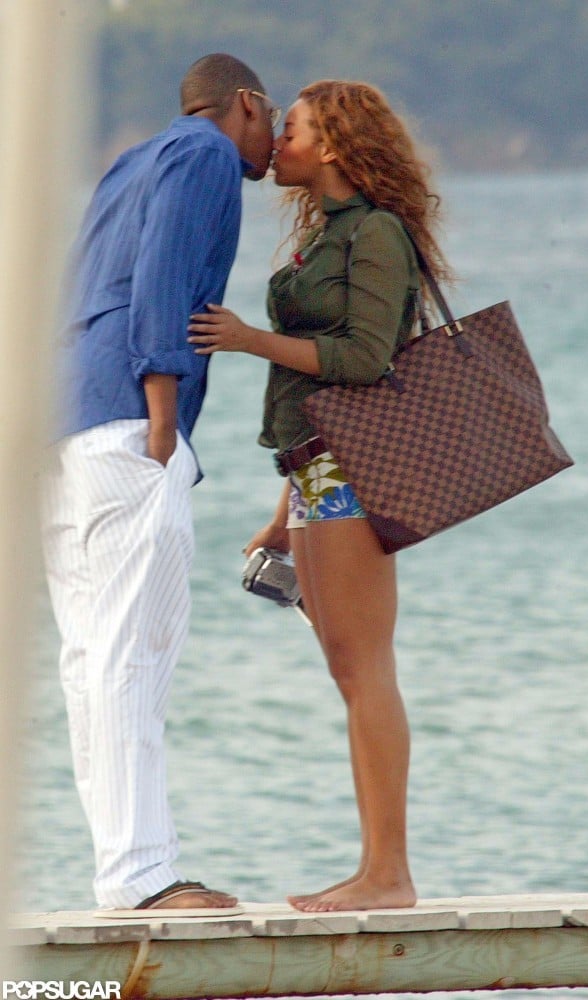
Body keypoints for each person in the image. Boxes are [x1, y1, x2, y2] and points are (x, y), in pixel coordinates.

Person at [187, 79, 453, 912]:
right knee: (350, 672)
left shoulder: (373, 233)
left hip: (351, 475)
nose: (278, 141)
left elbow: (367, 359)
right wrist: (281, 514)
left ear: (332, 145)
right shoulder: (325, 235)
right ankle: (374, 867)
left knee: (366, 670)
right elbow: (314, 383)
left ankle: (389, 875)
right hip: (316, 473)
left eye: (292, 128)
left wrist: (244, 338)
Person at [41, 53, 278, 911]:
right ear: (243, 105)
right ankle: (143, 880)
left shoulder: (128, 161)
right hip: (125, 425)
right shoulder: (205, 155)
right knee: (131, 657)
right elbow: (163, 280)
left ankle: (125, 873)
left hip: (63, 424)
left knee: (90, 663)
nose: (276, 137)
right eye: (272, 117)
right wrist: (163, 417)